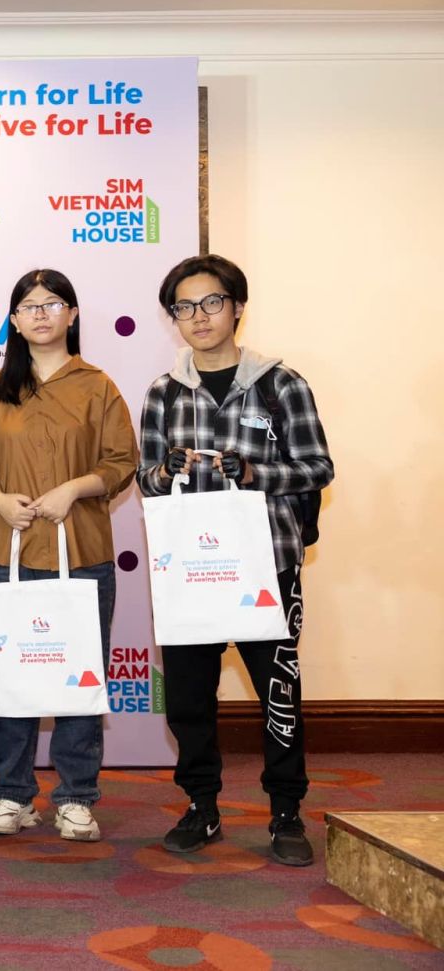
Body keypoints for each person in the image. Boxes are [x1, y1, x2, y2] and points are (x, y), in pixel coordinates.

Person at [137, 253, 333, 867]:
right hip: (190, 572)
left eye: (212, 302)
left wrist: (254, 473)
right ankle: (202, 806)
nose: (199, 316)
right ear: (173, 318)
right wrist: (164, 470)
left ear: (238, 307)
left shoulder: (281, 384)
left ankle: (286, 812)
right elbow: (144, 480)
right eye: (184, 307)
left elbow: (318, 467)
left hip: (265, 567)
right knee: (189, 699)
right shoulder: (164, 392)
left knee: (278, 694)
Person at [0, 268, 136, 843]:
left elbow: (122, 461)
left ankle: (75, 797)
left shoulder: (98, 386)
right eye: (29, 306)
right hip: (7, 550)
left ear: (72, 314)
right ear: (14, 321)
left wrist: (75, 488)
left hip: (82, 549)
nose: (41, 314)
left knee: (78, 675)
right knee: (10, 675)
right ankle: (12, 793)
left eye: (53, 303)